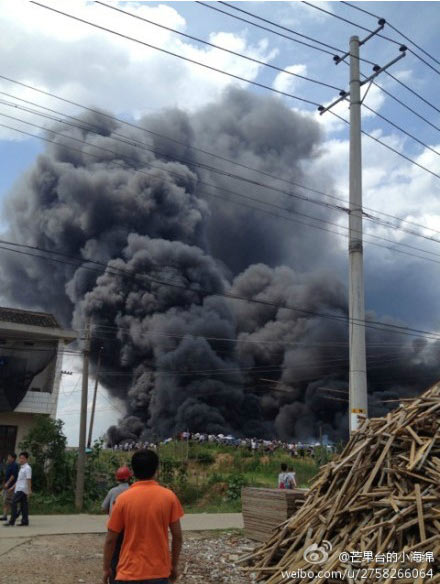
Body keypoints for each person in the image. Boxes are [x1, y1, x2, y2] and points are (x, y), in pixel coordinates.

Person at [103, 449, 184, 584]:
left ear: (133, 472)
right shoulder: (169, 497)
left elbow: (111, 539)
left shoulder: (122, 499)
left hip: (128, 573)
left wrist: (106, 568)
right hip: (158, 573)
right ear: (156, 470)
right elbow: (177, 536)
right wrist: (173, 565)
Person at [102, 467, 133, 584]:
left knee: (114, 556)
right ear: (129, 477)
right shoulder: (132, 490)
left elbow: (104, 507)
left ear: (117, 478)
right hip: (129, 529)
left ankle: (114, 578)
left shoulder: (112, 491)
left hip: (115, 529)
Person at [4, 451, 32, 527]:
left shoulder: (27, 468)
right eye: (20, 458)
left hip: (22, 489)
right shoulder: (22, 468)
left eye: (22, 458)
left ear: (26, 459)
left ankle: (11, 521)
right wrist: (12, 488)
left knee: (13, 502)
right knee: (24, 506)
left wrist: (29, 490)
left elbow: (29, 479)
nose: (21, 460)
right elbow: (19, 480)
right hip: (19, 488)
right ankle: (25, 521)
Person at [1, 453, 19, 521]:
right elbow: (6, 475)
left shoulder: (15, 465)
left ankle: (14, 512)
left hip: (11, 486)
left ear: (13, 458)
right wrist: (4, 483)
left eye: (9, 457)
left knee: (9, 501)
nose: (8, 458)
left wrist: (8, 483)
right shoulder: (9, 465)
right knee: (7, 501)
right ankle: (6, 515)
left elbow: (13, 476)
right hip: (6, 486)